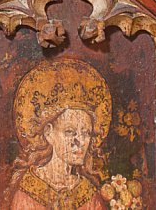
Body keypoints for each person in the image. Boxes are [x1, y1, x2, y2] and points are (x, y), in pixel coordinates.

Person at [7, 58, 112, 210]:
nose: (80, 141)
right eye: (70, 132)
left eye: (86, 133)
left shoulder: (88, 194)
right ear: (49, 133)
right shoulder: (28, 191)